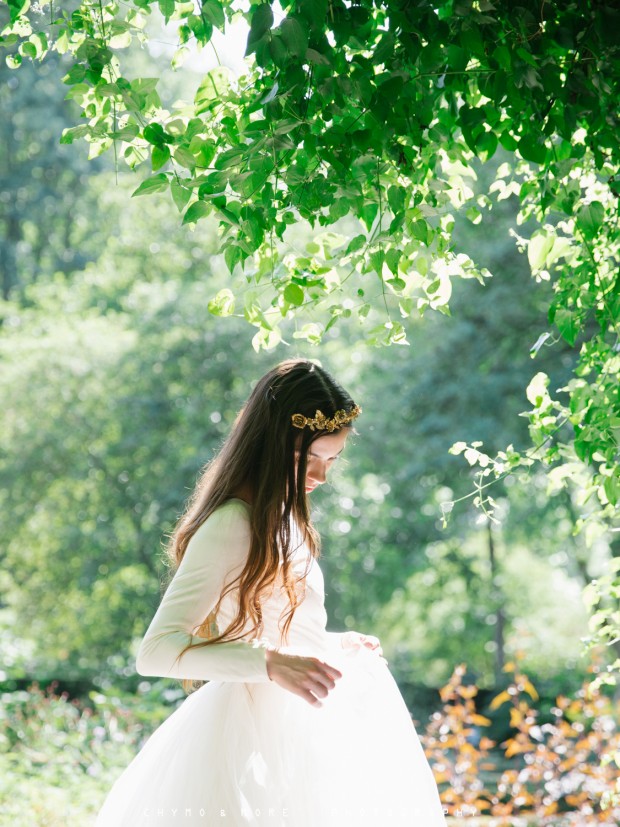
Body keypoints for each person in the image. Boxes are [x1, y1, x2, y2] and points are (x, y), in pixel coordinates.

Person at [95, 359, 447, 826]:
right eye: (313, 457)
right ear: (275, 442)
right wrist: (269, 664)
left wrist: (334, 644)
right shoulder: (231, 523)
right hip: (248, 735)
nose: (321, 476)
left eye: (333, 460)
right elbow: (156, 652)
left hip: (309, 729)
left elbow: (284, 622)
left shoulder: (287, 520)